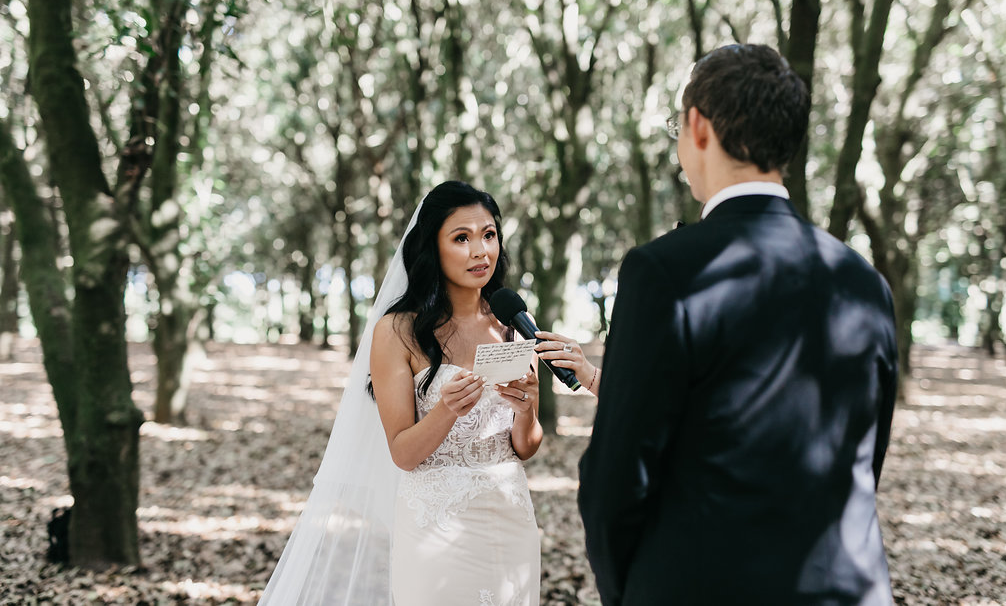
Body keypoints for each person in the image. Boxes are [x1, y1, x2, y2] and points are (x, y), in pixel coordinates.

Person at [577, 44, 899, 605]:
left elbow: (614, 481)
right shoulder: (863, 282)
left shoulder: (664, 271)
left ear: (698, 127)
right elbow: (865, 460)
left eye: (678, 125)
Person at [259, 181, 542, 606]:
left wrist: (527, 410)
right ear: (433, 247)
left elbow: (524, 447)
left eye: (488, 234)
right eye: (461, 238)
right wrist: (445, 410)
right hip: (437, 527)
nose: (480, 251)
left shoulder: (513, 321)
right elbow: (403, 454)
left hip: (510, 518)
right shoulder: (397, 331)